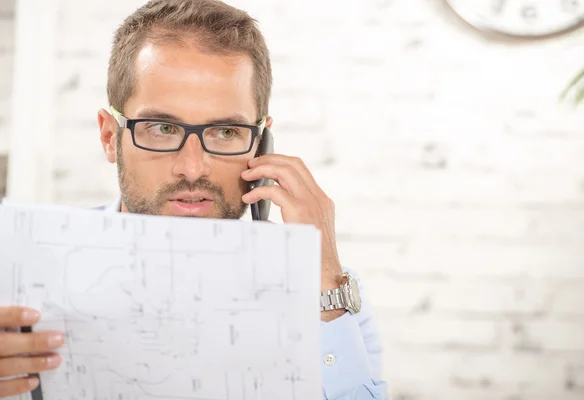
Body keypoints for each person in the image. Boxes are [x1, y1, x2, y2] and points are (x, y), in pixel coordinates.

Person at [0, 1, 387, 398]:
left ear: (261, 142)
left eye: (224, 132)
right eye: (162, 128)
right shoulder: (18, 278)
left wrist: (322, 282)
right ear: (108, 137)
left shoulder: (329, 295)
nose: (192, 168)